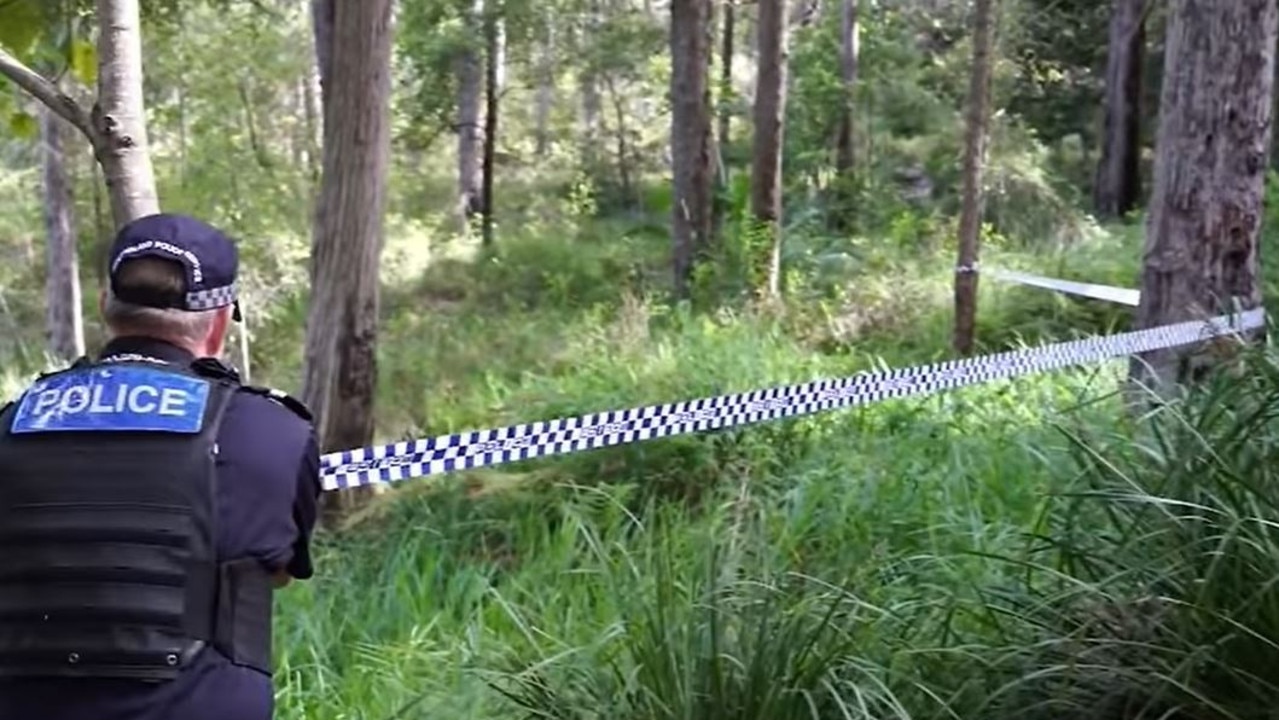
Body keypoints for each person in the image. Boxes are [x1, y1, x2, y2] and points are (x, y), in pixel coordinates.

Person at [0, 213, 322, 720]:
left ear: (106, 306)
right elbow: (280, 572)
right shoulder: (274, 431)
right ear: (218, 324)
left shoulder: (13, 422)